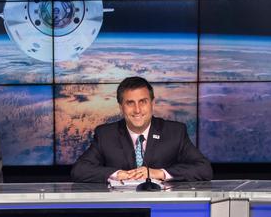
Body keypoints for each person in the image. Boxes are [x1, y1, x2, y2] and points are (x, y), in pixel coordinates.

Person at [71, 76, 212, 183]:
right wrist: (118, 174)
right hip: (121, 209)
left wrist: (159, 173)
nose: (137, 110)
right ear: (121, 107)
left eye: (143, 102)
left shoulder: (175, 132)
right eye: (130, 103)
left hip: (163, 207)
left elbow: (204, 169)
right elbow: (79, 170)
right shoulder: (106, 135)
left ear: (152, 103)